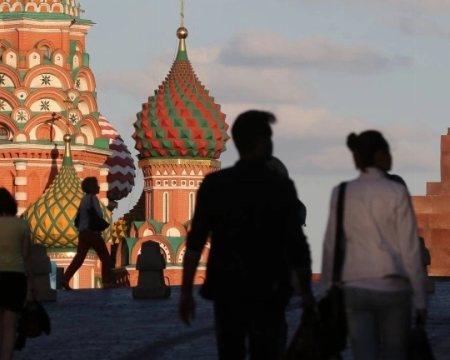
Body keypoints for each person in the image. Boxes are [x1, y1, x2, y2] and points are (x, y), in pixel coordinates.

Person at [179, 110, 314, 360]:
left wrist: (186, 291)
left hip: (227, 289)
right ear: (261, 142)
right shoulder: (279, 187)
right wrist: (306, 291)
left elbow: (196, 242)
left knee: (230, 352)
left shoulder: (215, 184)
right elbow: (297, 245)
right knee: (267, 352)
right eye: (269, 138)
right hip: (269, 289)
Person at [321, 130, 428, 360]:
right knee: (394, 353)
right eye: (388, 152)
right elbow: (410, 249)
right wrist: (421, 299)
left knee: (363, 355)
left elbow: (331, 246)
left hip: (355, 285)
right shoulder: (397, 191)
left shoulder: (342, 192)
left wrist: (326, 290)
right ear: (379, 155)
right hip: (392, 285)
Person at [0, 188, 34, 360]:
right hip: (16, 277)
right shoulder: (22, 225)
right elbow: (26, 256)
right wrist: (32, 281)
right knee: (10, 324)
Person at [59, 177, 115, 290]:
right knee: (105, 257)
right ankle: (107, 282)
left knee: (79, 258)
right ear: (92, 187)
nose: (99, 187)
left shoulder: (84, 199)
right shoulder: (93, 198)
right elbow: (98, 215)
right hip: (92, 233)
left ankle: (65, 278)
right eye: (96, 185)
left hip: (83, 233)